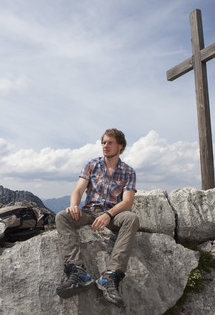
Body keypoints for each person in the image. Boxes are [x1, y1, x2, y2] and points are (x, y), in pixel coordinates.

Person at [55, 128, 139, 307]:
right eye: (103, 142)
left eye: (110, 142)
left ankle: (110, 276)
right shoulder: (92, 165)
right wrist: (74, 205)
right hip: (90, 211)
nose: (105, 146)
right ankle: (77, 272)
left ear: (120, 146)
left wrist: (109, 215)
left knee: (131, 219)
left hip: (113, 213)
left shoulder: (128, 171)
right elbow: (78, 189)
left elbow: (127, 202)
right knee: (62, 216)